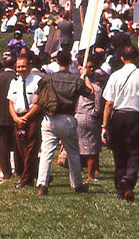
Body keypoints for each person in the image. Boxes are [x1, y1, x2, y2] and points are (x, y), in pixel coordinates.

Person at [27, 51, 93, 195]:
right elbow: (91, 94)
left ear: (57, 61)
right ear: (70, 62)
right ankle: (77, 185)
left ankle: (43, 184)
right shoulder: (76, 80)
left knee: (46, 152)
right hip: (68, 118)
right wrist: (85, 76)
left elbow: (36, 100)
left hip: (49, 118)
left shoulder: (47, 79)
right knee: (73, 153)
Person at [102, 45, 139, 201]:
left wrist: (104, 126)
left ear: (122, 58)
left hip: (118, 116)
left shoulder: (115, 76)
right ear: (137, 58)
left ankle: (119, 187)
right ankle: (128, 178)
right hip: (136, 117)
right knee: (136, 151)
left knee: (119, 153)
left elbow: (109, 103)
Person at [7, 54, 43, 189]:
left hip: (33, 118)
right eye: (18, 67)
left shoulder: (38, 81)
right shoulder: (14, 82)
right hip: (18, 119)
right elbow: (11, 103)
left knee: (31, 149)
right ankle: (38, 174)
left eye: (23, 66)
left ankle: (26, 180)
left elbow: (39, 103)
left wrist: (27, 117)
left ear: (30, 66)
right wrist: (16, 118)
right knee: (22, 149)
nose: (20, 69)